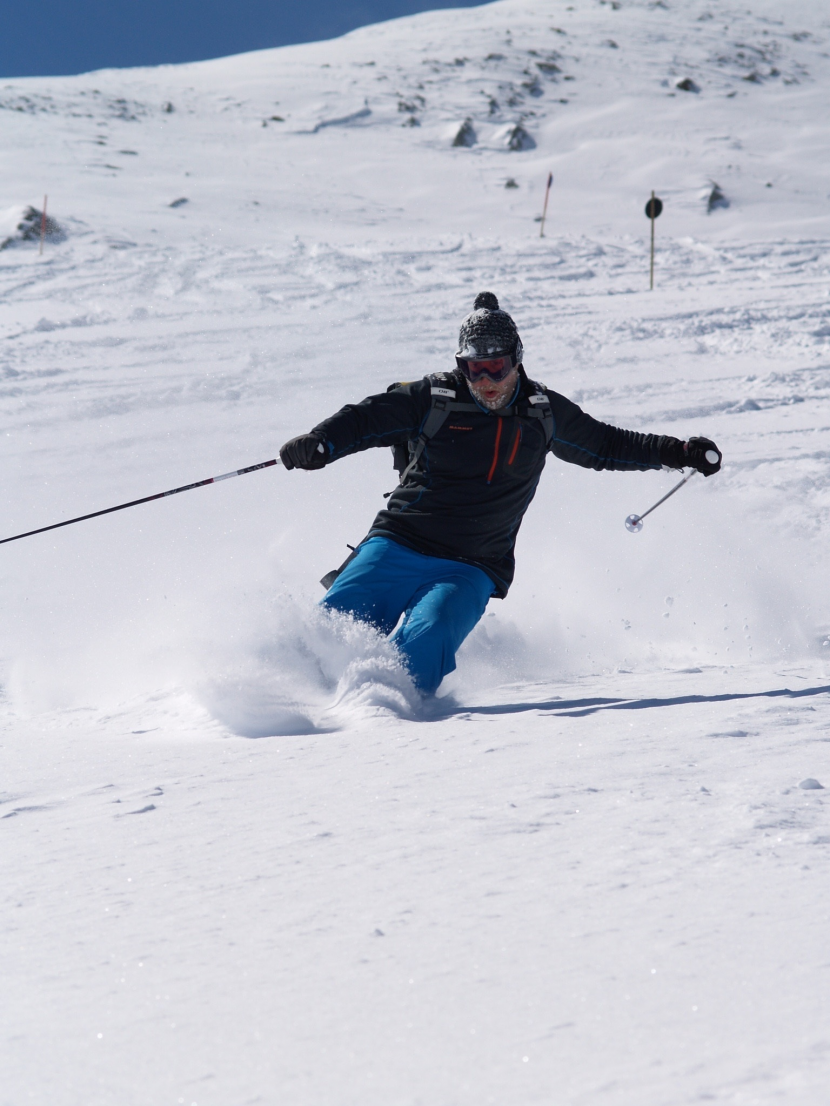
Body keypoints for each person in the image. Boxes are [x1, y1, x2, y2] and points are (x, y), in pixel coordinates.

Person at [280, 292, 721, 696]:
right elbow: (368, 418)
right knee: (331, 631)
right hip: (398, 543)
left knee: (427, 638)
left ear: (517, 360)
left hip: (471, 565)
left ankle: (381, 717)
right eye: (475, 368)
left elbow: (607, 444)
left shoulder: (542, 412)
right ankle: (289, 710)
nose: (487, 379)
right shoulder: (435, 398)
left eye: (498, 366)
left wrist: (679, 452)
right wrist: (321, 442)